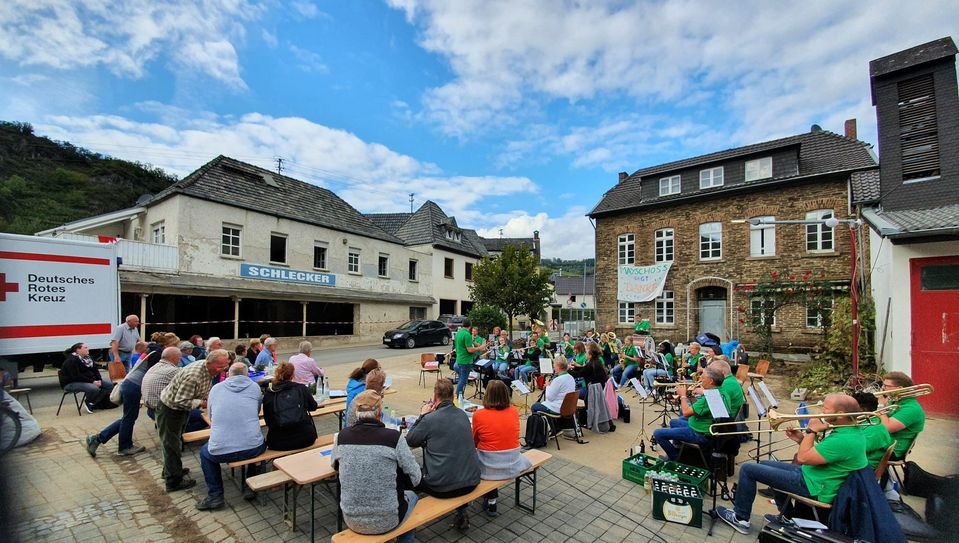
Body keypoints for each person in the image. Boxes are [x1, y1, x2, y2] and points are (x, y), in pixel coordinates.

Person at [717, 394, 868, 535]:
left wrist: (811, 431)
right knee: (765, 464)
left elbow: (802, 458)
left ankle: (740, 518)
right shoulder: (849, 430)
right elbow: (819, 454)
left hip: (814, 486)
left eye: (826, 409)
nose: (821, 412)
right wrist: (801, 439)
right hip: (813, 476)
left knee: (748, 469)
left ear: (840, 414)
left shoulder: (845, 439)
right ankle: (787, 517)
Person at [332, 390, 421, 543]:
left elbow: (335, 466)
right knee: (413, 496)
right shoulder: (394, 437)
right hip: (388, 519)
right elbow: (416, 478)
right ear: (380, 412)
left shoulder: (341, 437)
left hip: (351, 518)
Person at [406, 378, 482, 530]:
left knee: (407, 475)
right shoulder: (462, 414)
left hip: (442, 487)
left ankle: (406, 522)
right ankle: (462, 511)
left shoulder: (429, 419)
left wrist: (422, 415)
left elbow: (411, 440)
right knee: (453, 463)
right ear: (453, 397)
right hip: (471, 481)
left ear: (434, 397)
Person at [155, 350, 231, 492]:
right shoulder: (193, 375)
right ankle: (173, 482)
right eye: (220, 367)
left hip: (180, 410)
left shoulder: (207, 369)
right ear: (209, 363)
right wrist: (201, 403)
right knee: (171, 444)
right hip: (170, 410)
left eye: (225, 366)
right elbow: (180, 401)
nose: (223, 370)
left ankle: (171, 470)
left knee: (176, 441)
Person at [196, 362, 265, 510]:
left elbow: (211, 415)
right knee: (257, 440)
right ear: (246, 375)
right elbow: (257, 411)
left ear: (228, 374)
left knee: (204, 453)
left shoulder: (216, 389)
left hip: (221, 451)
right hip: (253, 448)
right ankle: (250, 485)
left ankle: (215, 495)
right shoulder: (255, 387)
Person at [84, 339, 165, 458]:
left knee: (128, 417)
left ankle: (97, 439)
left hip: (130, 384)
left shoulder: (151, 350)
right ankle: (124, 447)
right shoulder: (157, 354)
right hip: (133, 386)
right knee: (129, 418)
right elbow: (153, 376)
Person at [472, 380, 531, 517]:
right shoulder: (514, 412)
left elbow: (474, 442)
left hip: (489, 466)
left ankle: (490, 499)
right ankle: (491, 501)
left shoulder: (479, 415)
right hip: (512, 463)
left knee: (473, 457)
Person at [652, 366, 724, 461]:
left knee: (658, 434)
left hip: (700, 433)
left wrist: (683, 396)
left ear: (711, 381)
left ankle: (675, 459)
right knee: (674, 422)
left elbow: (686, 412)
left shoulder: (709, 397)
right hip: (702, 426)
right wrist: (688, 394)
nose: (700, 379)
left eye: (703, 377)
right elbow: (697, 408)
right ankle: (679, 450)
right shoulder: (717, 392)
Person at [141, 346, 207, 432]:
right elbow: (190, 391)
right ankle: (178, 433)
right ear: (174, 358)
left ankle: (168, 428)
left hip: (150, 410)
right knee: (205, 417)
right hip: (164, 412)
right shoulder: (173, 371)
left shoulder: (155, 367)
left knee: (193, 407)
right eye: (179, 357)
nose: (180, 360)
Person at [264, 361, 319, 451]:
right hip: (305, 438)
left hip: (278, 442)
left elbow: (268, 420)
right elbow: (313, 407)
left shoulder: (270, 393)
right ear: (293, 375)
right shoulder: (301, 389)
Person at [877, 371, 925, 460]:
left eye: (886, 386)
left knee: (851, 449)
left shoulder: (912, 409)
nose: (882, 388)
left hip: (892, 450)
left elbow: (886, 427)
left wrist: (881, 406)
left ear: (899, 388)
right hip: (883, 442)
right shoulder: (895, 401)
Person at [62, 342, 114, 413]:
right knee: (94, 388)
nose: (88, 349)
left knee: (110, 386)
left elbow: (95, 370)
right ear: (78, 350)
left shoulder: (88, 358)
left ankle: (93, 403)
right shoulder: (72, 360)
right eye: (85, 348)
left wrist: (99, 379)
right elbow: (76, 376)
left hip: (87, 380)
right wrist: (92, 381)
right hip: (71, 383)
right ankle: (89, 401)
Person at [852, 392, 894, 471]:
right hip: (858, 463)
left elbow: (854, 450)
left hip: (862, 469)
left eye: (849, 407)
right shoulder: (864, 422)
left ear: (862, 409)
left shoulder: (875, 428)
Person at [453, 319, 482, 398]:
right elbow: (470, 349)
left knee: (461, 379)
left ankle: (460, 396)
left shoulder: (458, 333)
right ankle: (459, 397)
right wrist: (479, 348)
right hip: (466, 361)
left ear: (462, 324)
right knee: (463, 380)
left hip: (459, 360)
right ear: (470, 325)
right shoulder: (467, 335)